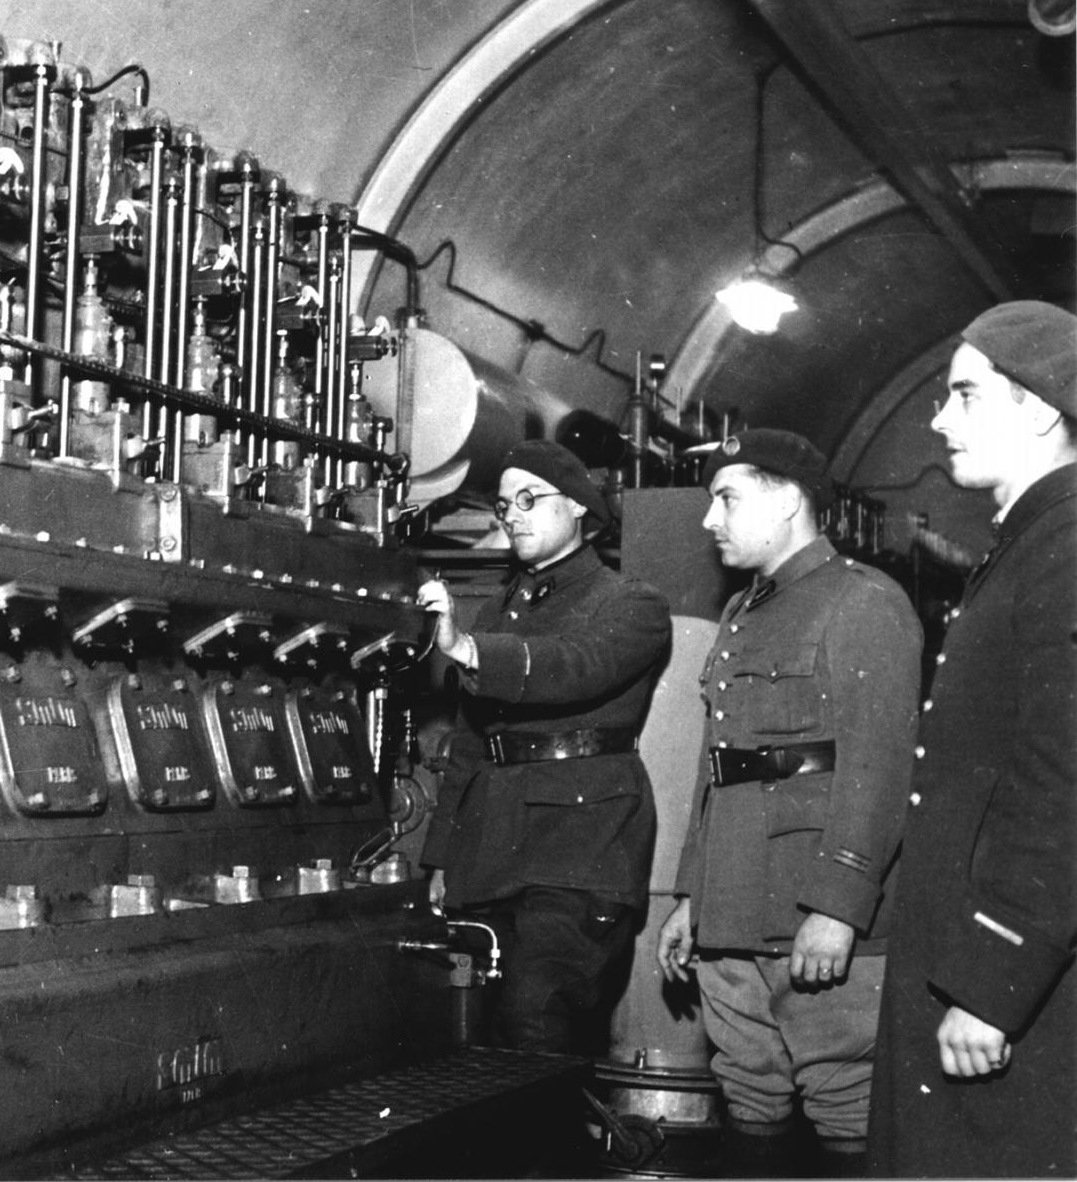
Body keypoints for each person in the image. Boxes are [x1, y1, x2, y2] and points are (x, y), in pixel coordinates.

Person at [654, 429, 920, 1176]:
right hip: (731, 908)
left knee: (845, 1098)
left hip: (813, 906)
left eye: (727, 498)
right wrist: (689, 897)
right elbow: (720, 762)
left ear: (789, 497)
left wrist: (838, 905)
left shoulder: (862, 601)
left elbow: (880, 767)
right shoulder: (742, 611)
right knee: (748, 1096)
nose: (711, 520)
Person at [868, 302, 1077, 1179]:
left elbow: (1063, 781)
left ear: (1036, 407)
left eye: (964, 395)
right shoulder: (1032, 542)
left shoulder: (1065, 547)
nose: (937, 419)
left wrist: (992, 984)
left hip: (1002, 986)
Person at [417, 439, 671, 1055]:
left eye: (529, 499)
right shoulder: (502, 608)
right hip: (494, 845)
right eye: (504, 505)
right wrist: (442, 856)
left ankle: (549, 1153)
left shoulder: (631, 604)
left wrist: (473, 651)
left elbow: (576, 665)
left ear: (579, 507)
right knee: (481, 1031)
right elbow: (469, 742)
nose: (513, 515)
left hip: (581, 848)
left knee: (536, 1019)